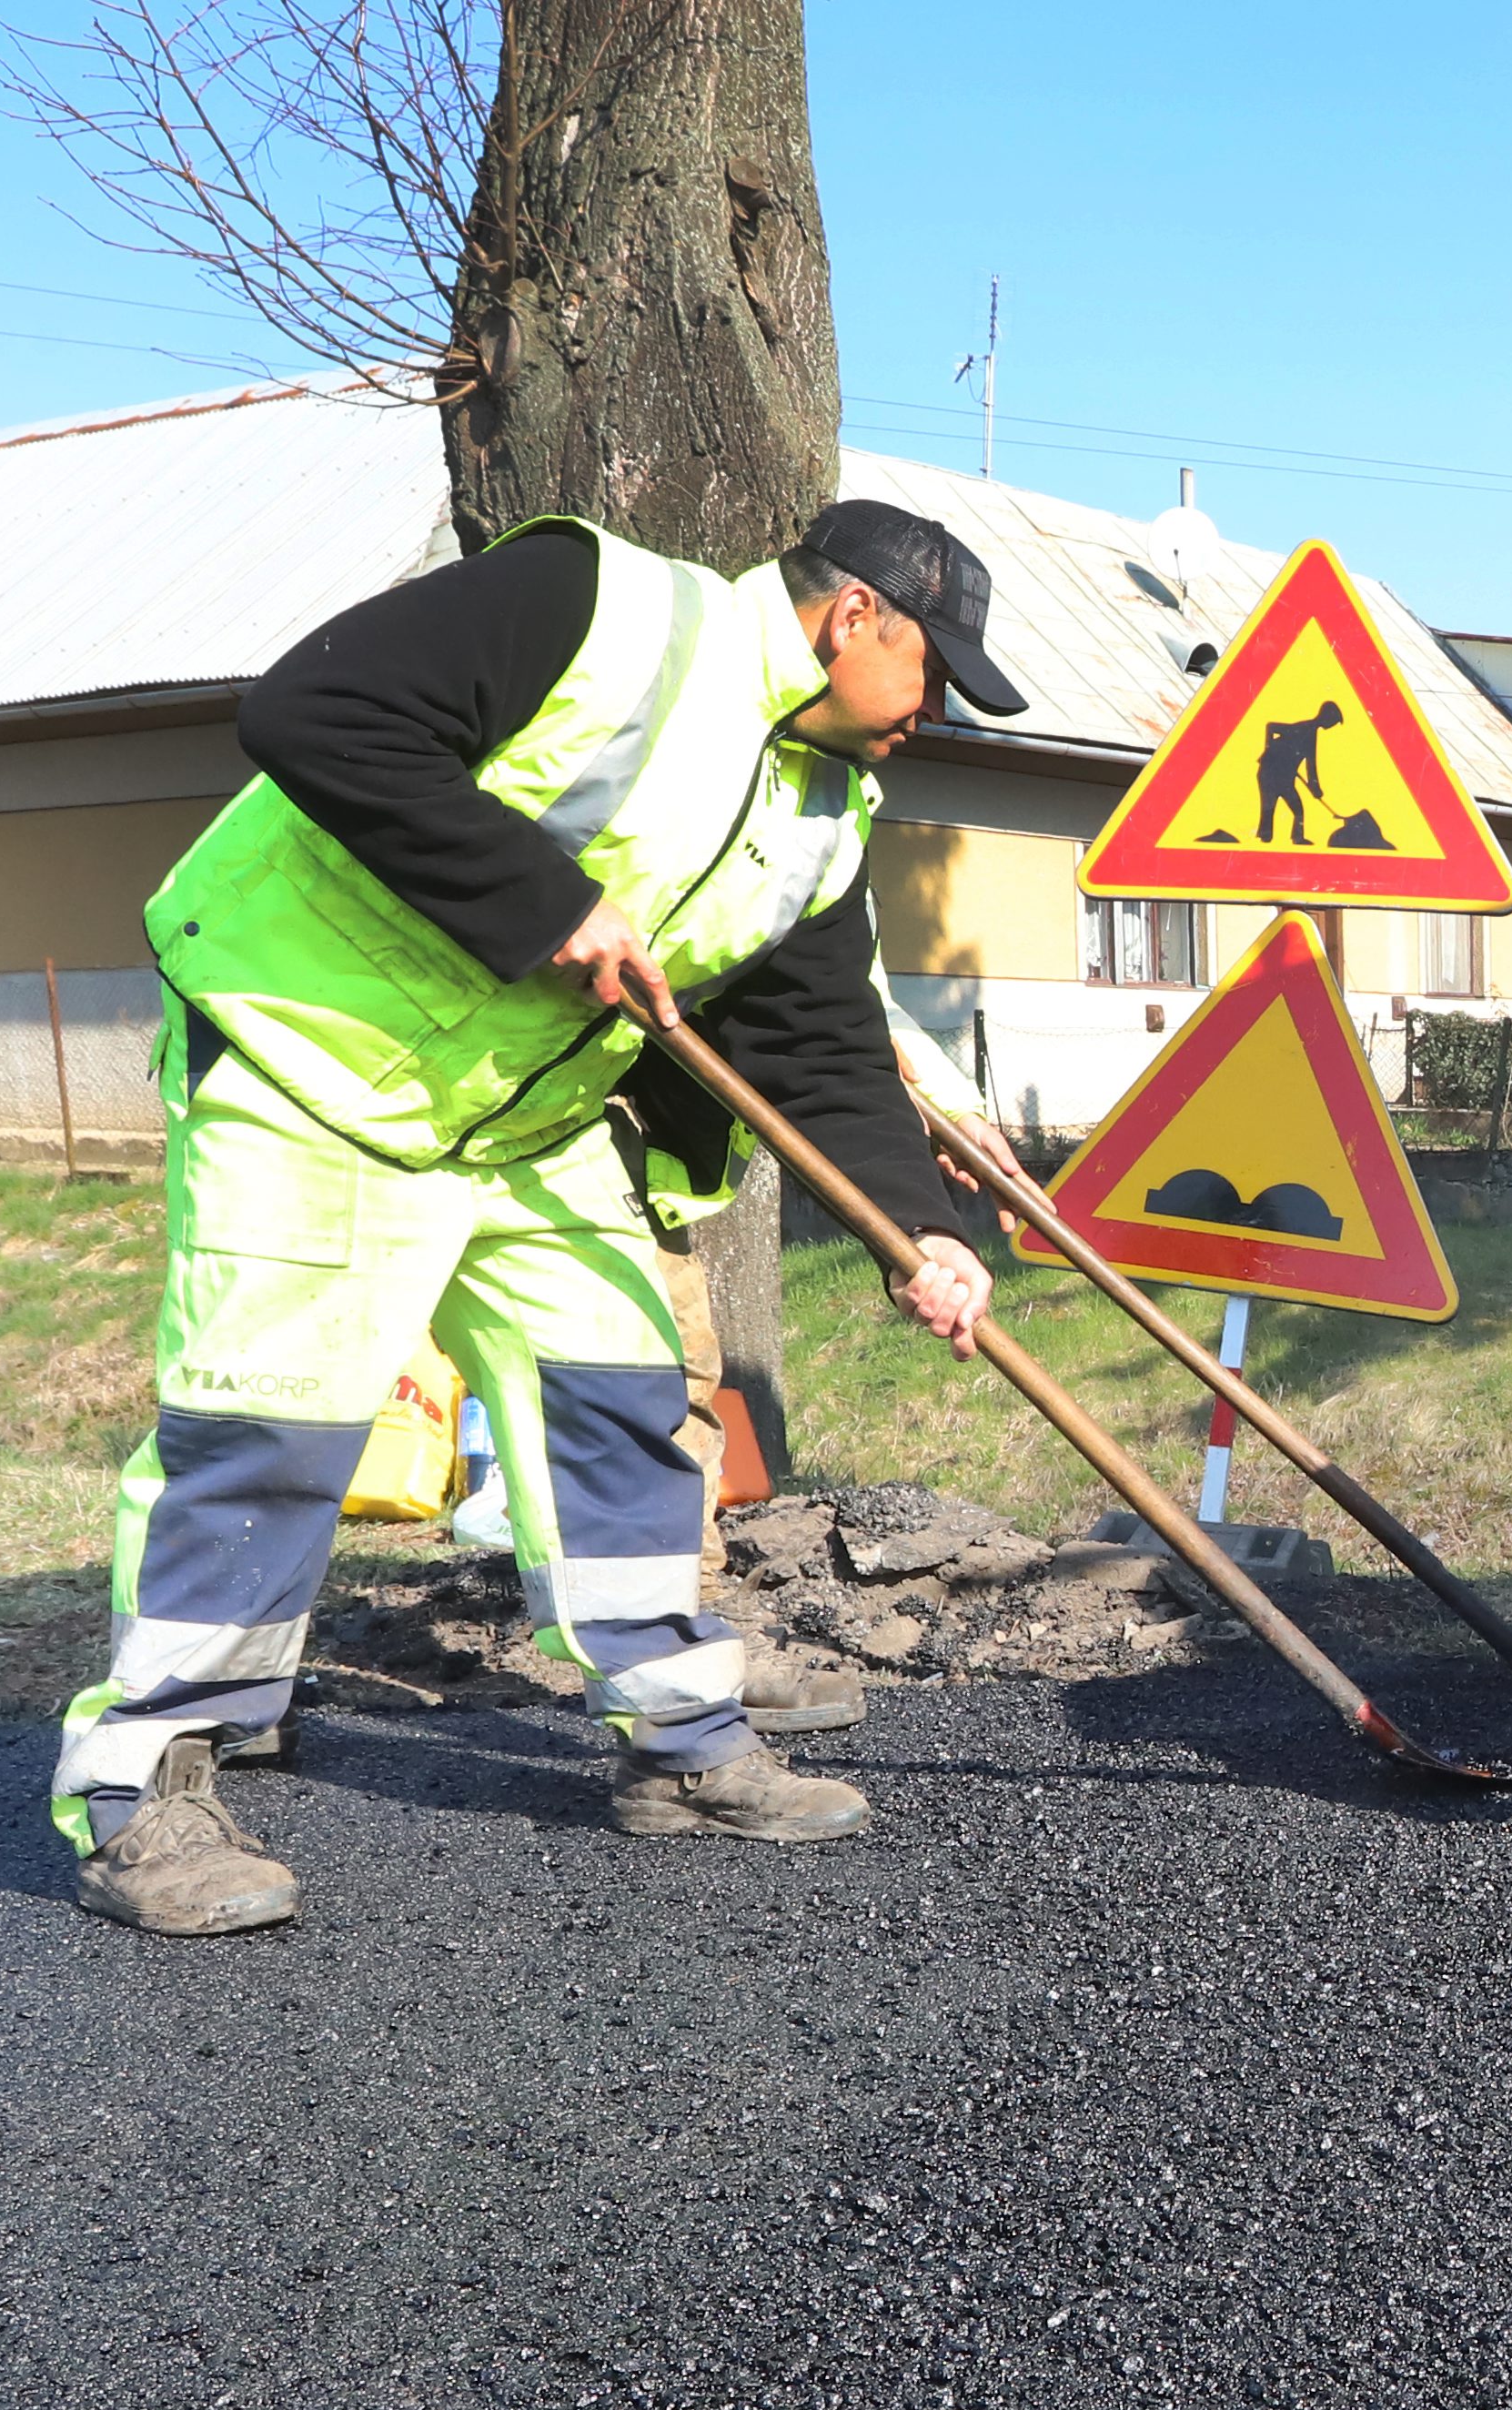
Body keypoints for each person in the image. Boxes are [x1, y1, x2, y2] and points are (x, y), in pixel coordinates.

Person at [51, 499, 1031, 1936]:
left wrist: (919, 1233)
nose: (933, 711)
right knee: (274, 1422)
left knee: (621, 1395)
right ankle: (146, 1790)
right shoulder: (602, 609)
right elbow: (315, 711)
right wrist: (542, 903)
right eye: (932, 671)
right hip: (310, 1056)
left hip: (521, 1115)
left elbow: (820, 1042)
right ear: (855, 616)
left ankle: (679, 1744)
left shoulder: (825, 813)